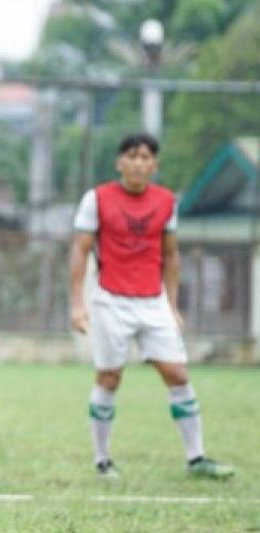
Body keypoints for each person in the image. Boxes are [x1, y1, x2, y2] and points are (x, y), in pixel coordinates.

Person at [68, 132, 233, 481]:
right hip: (111, 300)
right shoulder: (96, 199)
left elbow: (171, 254)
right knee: (109, 377)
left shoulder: (165, 201)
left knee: (177, 373)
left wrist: (172, 305)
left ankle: (197, 458)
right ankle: (102, 461)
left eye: (146, 157)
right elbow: (80, 251)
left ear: (154, 165)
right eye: (132, 156)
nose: (139, 163)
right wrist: (77, 305)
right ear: (120, 162)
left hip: (153, 301)